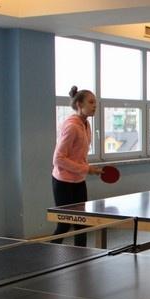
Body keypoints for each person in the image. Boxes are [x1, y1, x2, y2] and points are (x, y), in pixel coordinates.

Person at [51, 86, 104, 247]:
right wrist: (87, 169)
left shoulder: (86, 125)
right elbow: (58, 159)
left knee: (82, 223)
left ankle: (81, 257)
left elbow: (78, 155)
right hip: (63, 182)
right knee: (64, 224)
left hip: (79, 181)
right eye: (91, 102)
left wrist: (89, 168)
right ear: (79, 104)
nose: (95, 106)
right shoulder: (72, 127)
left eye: (95, 103)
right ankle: (49, 252)